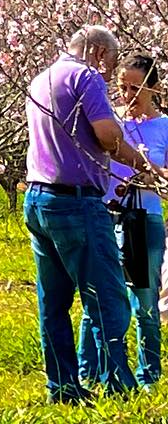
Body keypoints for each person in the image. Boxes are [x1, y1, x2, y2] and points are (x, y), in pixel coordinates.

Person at [24, 25, 168, 403]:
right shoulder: (85, 76)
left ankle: (63, 387)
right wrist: (143, 166)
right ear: (99, 53)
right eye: (111, 65)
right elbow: (107, 135)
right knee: (106, 298)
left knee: (53, 303)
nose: (109, 75)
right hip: (76, 202)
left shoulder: (43, 78)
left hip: (38, 199)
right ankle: (119, 386)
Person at [78, 54, 168, 387]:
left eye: (136, 88)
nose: (128, 95)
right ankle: (89, 373)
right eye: (122, 87)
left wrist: (144, 177)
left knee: (145, 301)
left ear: (154, 88)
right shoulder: (109, 121)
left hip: (144, 219)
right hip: (104, 216)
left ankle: (149, 376)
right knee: (96, 298)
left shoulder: (165, 127)